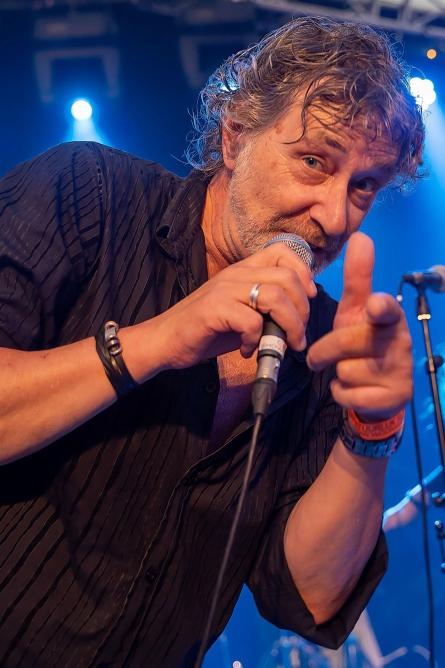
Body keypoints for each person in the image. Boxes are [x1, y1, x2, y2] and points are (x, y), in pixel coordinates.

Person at [0, 16, 425, 668]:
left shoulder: (327, 342)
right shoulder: (88, 192)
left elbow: (309, 595)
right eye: (314, 162)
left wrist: (372, 429)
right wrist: (161, 339)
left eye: (363, 185)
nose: (336, 214)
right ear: (234, 136)